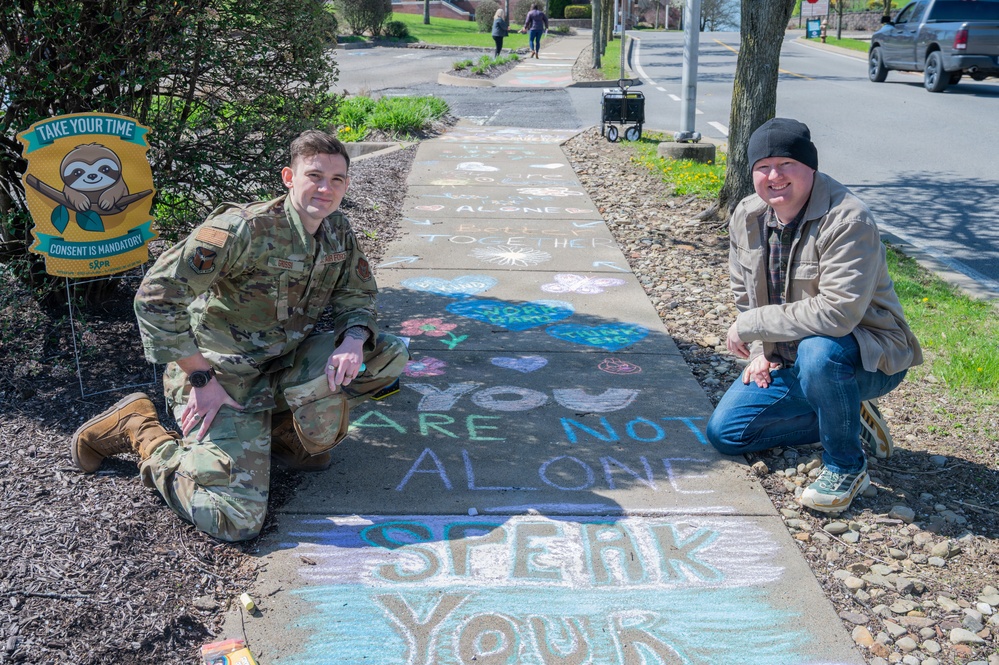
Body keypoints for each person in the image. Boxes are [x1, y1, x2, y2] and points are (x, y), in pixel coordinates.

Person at [70, 130, 409, 542]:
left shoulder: (337, 230)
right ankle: (138, 429)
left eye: (336, 179)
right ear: (289, 176)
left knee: (385, 354)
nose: (325, 188)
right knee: (235, 520)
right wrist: (200, 379)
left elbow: (356, 293)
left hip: (279, 365)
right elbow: (156, 297)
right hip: (221, 377)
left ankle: (281, 433)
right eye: (314, 175)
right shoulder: (243, 230)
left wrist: (354, 339)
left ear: (346, 185)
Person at [706, 118, 922, 514]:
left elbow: (838, 313)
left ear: (810, 166)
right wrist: (758, 351)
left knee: (820, 352)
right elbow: (744, 293)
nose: (774, 176)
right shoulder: (747, 215)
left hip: (869, 355)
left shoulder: (848, 219)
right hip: (790, 358)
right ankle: (843, 410)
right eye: (762, 167)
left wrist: (750, 326)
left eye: (785, 163)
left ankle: (846, 465)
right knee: (726, 434)